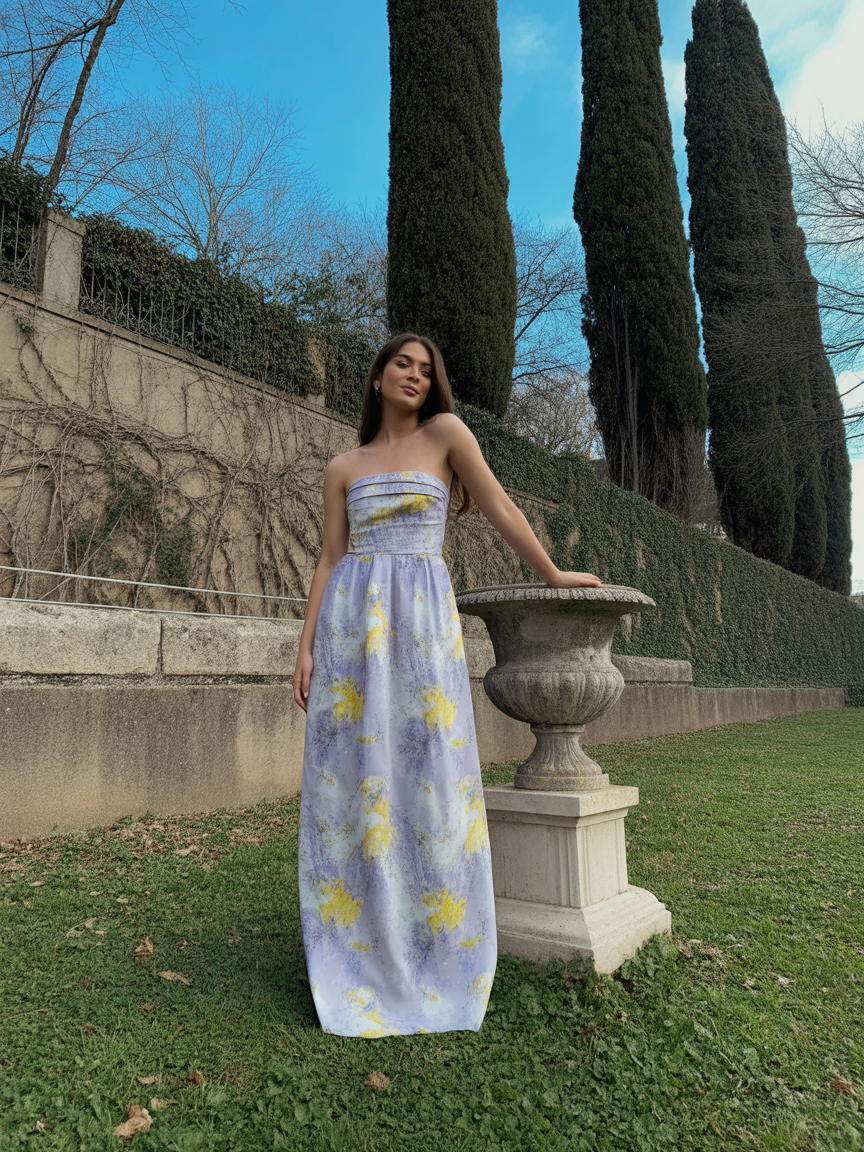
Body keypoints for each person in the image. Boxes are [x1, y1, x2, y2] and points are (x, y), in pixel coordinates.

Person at [293, 333, 601, 1037]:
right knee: (356, 778)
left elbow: (501, 508)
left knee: (430, 769)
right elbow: (330, 559)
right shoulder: (343, 467)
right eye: (402, 364)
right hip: (352, 631)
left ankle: (435, 936)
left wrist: (553, 573)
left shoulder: (447, 435)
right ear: (377, 376)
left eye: (426, 369)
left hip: (424, 626)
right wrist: (306, 647)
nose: (414, 375)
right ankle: (360, 934)